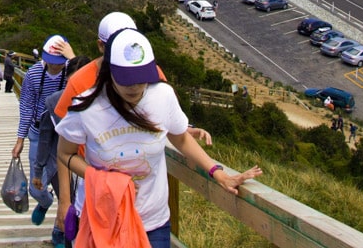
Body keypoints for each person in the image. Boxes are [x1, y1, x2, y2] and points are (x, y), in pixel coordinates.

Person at [57, 28, 262, 248]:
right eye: (126, 79)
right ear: (109, 71)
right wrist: (103, 180)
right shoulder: (86, 106)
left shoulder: (162, 96)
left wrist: (217, 172)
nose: (135, 87)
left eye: (141, 78)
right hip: (103, 219)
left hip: (152, 223)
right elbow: (64, 153)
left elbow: (180, 138)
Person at [52, 11, 212, 237]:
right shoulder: (82, 90)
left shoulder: (148, 74)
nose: (136, 86)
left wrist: (186, 131)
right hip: (99, 207)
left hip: (151, 218)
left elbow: (163, 117)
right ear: (103, 48)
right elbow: (63, 147)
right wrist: (66, 201)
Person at [13, 35, 75, 227]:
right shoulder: (32, 74)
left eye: (59, 62)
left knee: (65, 191)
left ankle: (59, 230)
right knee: (36, 187)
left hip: (63, 136)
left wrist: (72, 58)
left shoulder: (70, 73)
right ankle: (45, 201)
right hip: (38, 133)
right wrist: (20, 138)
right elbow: (26, 107)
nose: (54, 66)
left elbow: (89, 85)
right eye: (50, 61)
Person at [35, 55, 89, 248]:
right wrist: (38, 170)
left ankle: (62, 234)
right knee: (69, 207)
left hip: (89, 168)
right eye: (70, 83)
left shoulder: (102, 103)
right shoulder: (55, 103)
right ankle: (62, 235)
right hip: (61, 166)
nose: (75, 90)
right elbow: (44, 137)